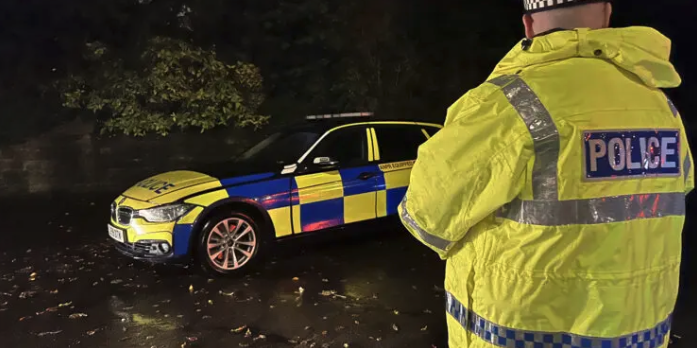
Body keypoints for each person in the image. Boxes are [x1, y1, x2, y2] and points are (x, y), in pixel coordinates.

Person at [399, 1, 694, 347]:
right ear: (606, 13)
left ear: (528, 24)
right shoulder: (661, 109)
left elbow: (424, 216)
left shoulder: (505, 104)